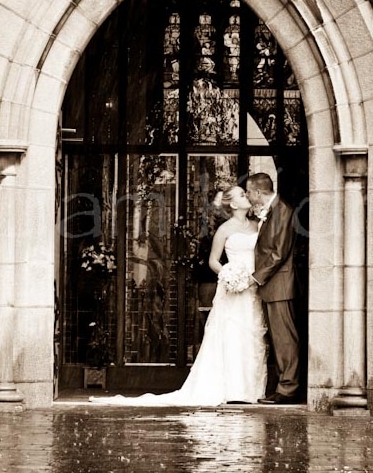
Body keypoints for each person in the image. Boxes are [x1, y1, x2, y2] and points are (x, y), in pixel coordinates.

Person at [89, 186, 268, 406]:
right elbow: (213, 260)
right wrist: (229, 274)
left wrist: (249, 278)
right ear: (232, 204)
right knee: (231, 336)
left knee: (252, 336)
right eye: (242, 194)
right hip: (233, 289)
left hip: (253, 288)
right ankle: (233, 390)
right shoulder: (224, 230)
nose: (247, 196)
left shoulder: (257, 225)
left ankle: (252, 390)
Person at [245, 172, 303, 405]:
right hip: (275, 286)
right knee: (280, 338)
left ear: (258, 192)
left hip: (280, 285)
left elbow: (279, 252)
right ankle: (283, 384)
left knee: (285, 338)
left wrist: (256, 278)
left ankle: (288, 389)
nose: (248, 197)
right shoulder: (273, 210)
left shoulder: (282, 211)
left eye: (249, 192)